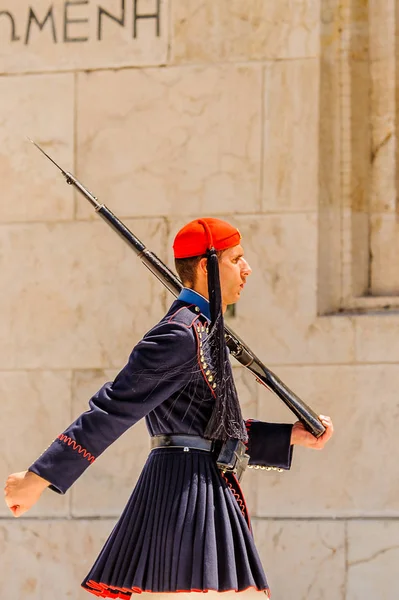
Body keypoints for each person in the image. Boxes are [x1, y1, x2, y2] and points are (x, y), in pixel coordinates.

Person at [4, 218, 333, 599]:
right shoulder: (179, 334)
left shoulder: (204, 331)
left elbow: (214, 429)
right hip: (185, 499)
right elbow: (112, 408)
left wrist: (291, 436)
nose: (248, 268)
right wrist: (38, 477)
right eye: (236, 259)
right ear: (207, 267)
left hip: (204, 489)